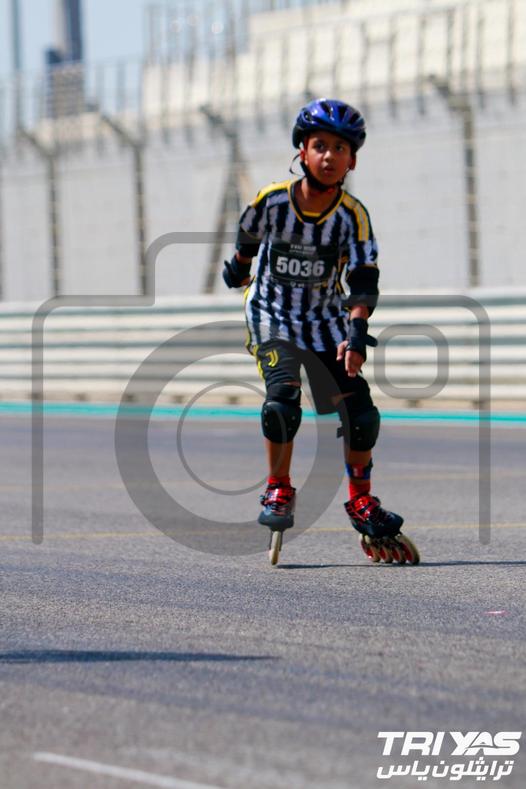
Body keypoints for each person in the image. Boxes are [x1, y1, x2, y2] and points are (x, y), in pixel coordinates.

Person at [223, 98, 417, 563]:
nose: (329, 156)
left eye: (340, 148)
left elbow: (363, 280)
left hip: (325, 320)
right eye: (320, 146)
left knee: (360, 413)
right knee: (282, 400)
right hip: (272, 315)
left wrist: (356, 335)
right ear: (302, 152)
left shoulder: (353, 216)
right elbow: (248, 235)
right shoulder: (272, 201)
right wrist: (239, 266)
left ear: (353, 160)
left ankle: (361, 500)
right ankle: (278, 488)